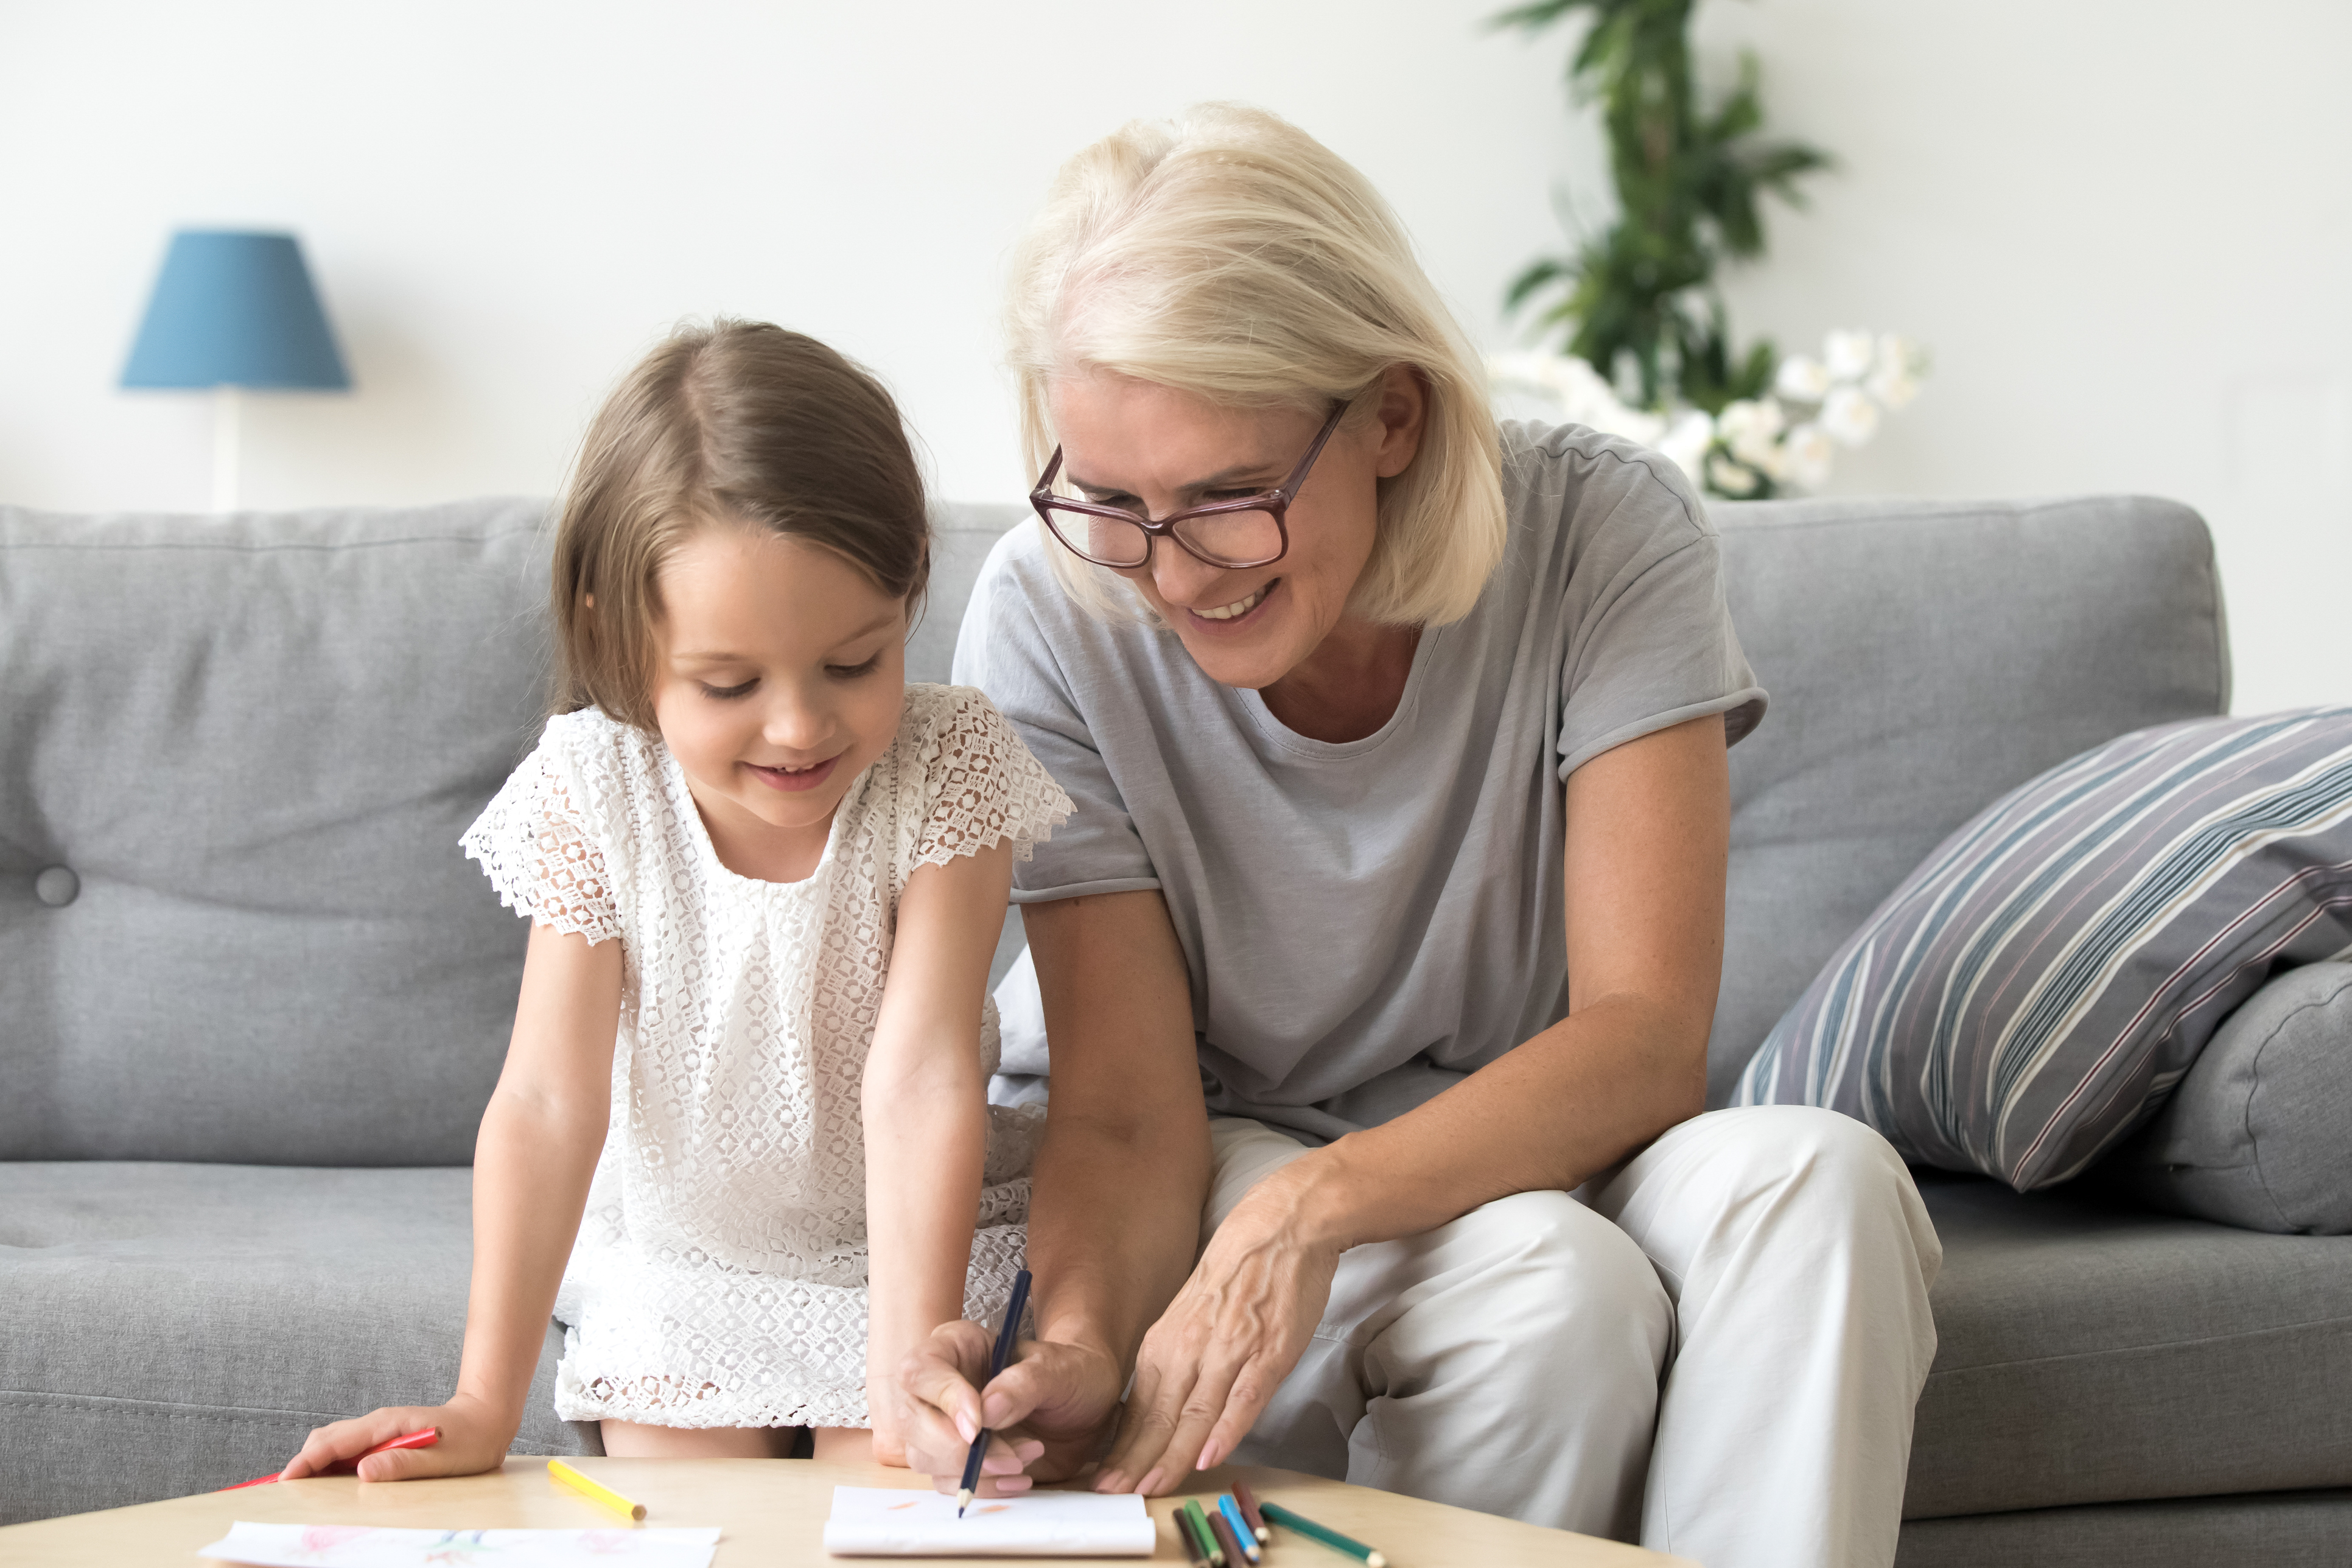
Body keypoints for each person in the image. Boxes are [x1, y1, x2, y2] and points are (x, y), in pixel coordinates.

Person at [897, 107, 1942, 1568]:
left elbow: (1647, 1036)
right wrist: (1081, 1339)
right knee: (1552, 1294)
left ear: (1392, 414)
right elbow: (1131, 1111)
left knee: (1824, 1181)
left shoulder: (1599, 534)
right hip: (1224, 1144)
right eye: (1115, 504)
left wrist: (1322, 1210)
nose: (1172, 574)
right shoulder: (1054, 612)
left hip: (1542, 1126)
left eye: (1225, 499)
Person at [279, 321, 1072, 1481]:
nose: (800, 726)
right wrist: (481, 1401)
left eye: (853, 663)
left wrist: (907, 1375)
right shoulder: (595, 786)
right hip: (688, 1267)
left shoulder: (946, 763)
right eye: (729, 683)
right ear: (616, 630)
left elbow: (923, 1077)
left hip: (904, 1262)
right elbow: (549, 1100)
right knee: (685, 1511)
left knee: (891, 1489)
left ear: (909, 588)